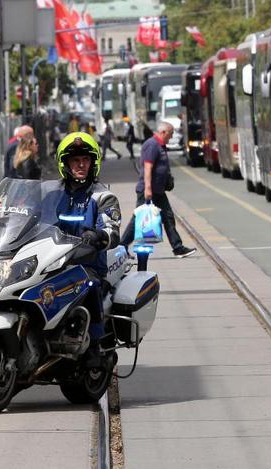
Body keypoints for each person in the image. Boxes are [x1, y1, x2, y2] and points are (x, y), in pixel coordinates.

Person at [51, 132, 122, 366]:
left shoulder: (103, 196)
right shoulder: (52, 195)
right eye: (75, 160)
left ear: (93, 163)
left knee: (89, 284)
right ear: (66, 164)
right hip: (54, 261)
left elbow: (113, 231)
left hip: (88, 263)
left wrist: (100, 235)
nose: (80, 165)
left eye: (85, 160)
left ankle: (95, 347)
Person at [120, 121, 195, 257]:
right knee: (138, 219)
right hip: (148, 191)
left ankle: (177, 247)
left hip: (158, 191)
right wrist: (148, 189)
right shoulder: (152, 145)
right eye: (170, 134)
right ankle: (121, 247)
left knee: (168, 217)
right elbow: (147, 167)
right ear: (163, 132)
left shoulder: (161, 145)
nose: (171, 137)